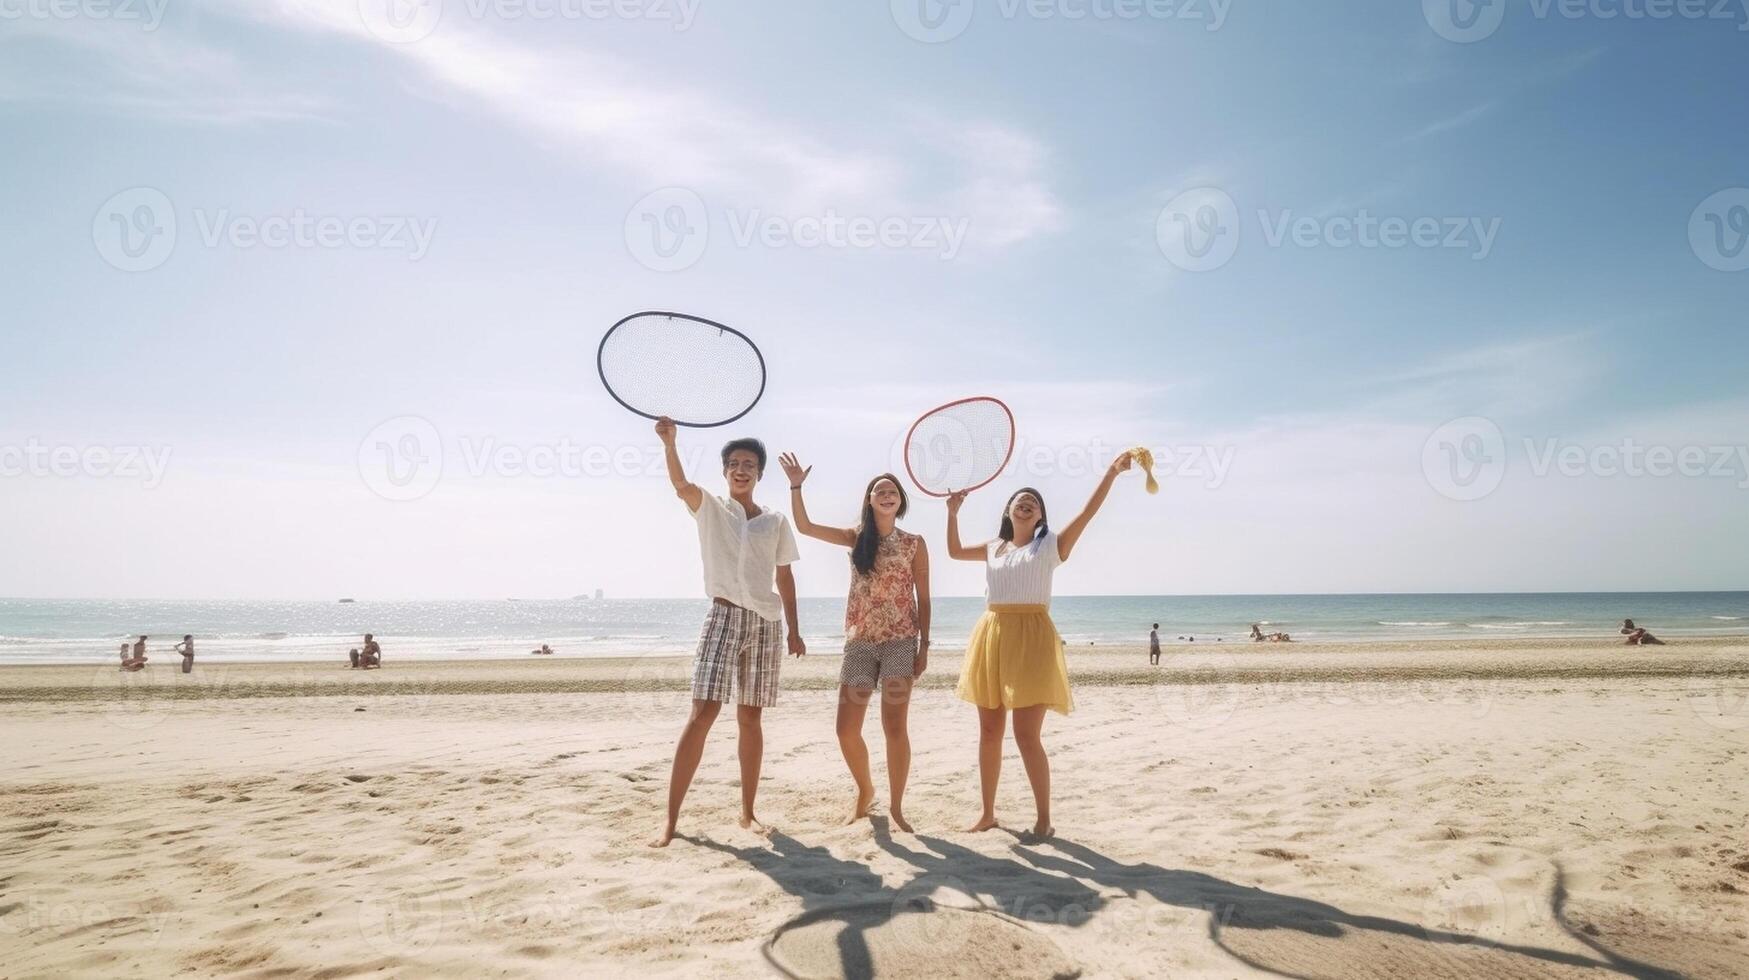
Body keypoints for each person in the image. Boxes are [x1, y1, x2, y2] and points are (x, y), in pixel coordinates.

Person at [947, 451, 1137, 839]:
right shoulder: (993, 548)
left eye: (1033, 502)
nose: (1027, 502)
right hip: (992, 634)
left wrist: (1111, 472)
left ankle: (1044, 819)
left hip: (1032, 638)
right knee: (989, 733)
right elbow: (952, 551)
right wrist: (952, 512)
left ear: (1040, 516)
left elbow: (1087, 513)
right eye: (1020, 499)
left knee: (1026, 734)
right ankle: (987, 814)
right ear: (1008, 511)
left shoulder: (1049, 545)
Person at [650, 417, 804, 848]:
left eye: (749, 464)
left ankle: (748, 813)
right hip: (722, 615)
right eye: (734, 463)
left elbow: (785, 577)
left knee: (750, 717)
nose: (741, 469)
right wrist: (670, 442)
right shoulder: (711, 507)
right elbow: (680, 484)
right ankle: (670, 821)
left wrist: (794, 629)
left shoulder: (774, 521)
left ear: (759, 472)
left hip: (765, 623)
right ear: (725, 471)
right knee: (702, 715)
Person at [780, 453, 931, 832]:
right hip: (860, 643)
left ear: (900, 501)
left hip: (900, 642)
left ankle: (896, 807)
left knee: (894, 727)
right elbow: (805, 526)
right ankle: (865, 791)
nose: (886, 494)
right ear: (869, 500)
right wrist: (796, 486)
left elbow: (923, 599)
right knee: (846, 730)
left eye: (892, 491)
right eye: (879, 490)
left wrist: (924, 646)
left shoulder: (914, 543)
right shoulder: (854, 537)